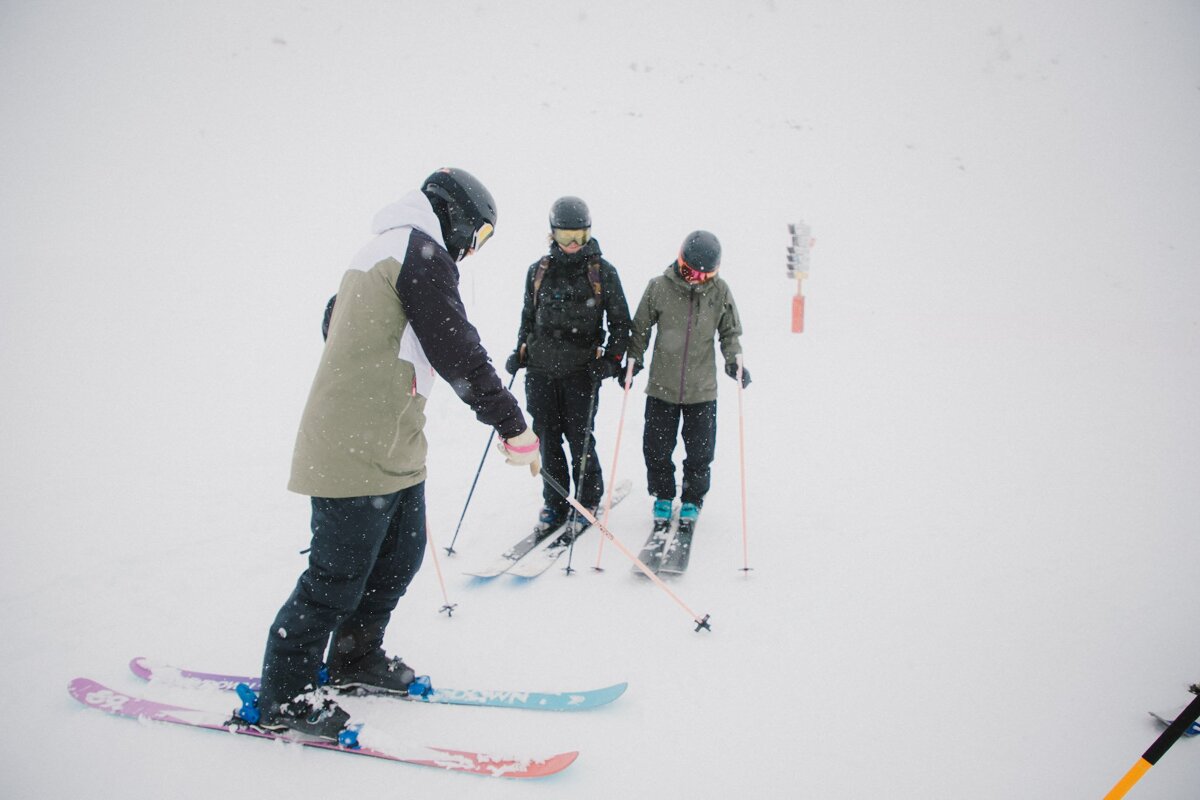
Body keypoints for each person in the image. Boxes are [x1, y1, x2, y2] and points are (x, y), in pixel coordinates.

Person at [256, 168, 541, 741]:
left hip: (393, 443)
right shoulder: (417, 251)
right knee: (335, 578)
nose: (473, 248)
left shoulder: (390, 250)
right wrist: (511, 423)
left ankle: (355, 657)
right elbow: (457, 350)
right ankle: (284, 698)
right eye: (478, 234)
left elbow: (337, 319)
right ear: (454, 215)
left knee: (398, 560)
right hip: (353, 446)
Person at [505, 196, 630, 535]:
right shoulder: (539, 271)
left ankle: (587, 498)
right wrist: (520, 352)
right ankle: (556, 500)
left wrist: (610, 362)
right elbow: (528, 318)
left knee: (580, 438)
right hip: (541, 371)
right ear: (552, 234)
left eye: (580, 236)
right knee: (546, 438)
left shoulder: (602, 273)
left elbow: (621, 324)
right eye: (565, 236)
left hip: (581, 372)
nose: (573, 244)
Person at [624, 230, 749, 535]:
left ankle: (692, 499)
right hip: (662, 387)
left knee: (700, 452)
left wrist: (733, 359)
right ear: (680, 262)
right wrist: (633, 359)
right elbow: (640, 328)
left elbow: (730, 332)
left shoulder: (720, 292)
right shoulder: (659, 287)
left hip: (701, 390)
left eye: (705, 275)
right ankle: (663, 496)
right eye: (689, 271)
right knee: (656, 447)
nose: (696, 279)